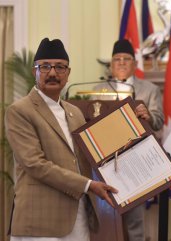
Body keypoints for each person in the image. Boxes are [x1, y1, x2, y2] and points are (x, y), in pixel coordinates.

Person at [5, 38, 118, 241]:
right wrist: (87, 185)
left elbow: (91, 156)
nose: (53, 73)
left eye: (60, 67)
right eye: (45, 66)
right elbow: (35, 164)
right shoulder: (20, 111)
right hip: (39, 221)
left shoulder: (75, 112)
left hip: (78, 216)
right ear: (35, 72)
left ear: (68, 74)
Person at [94, 39, 164, 241]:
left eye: (127, 59)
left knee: (134, 219)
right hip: (104, 162)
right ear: (111, 65)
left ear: (134, 64)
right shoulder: (97, 90)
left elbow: (158, 122)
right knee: (106, 219)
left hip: (136, 161)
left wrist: (148, 116)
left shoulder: (150, 90)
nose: (122, 62)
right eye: (117, 59)